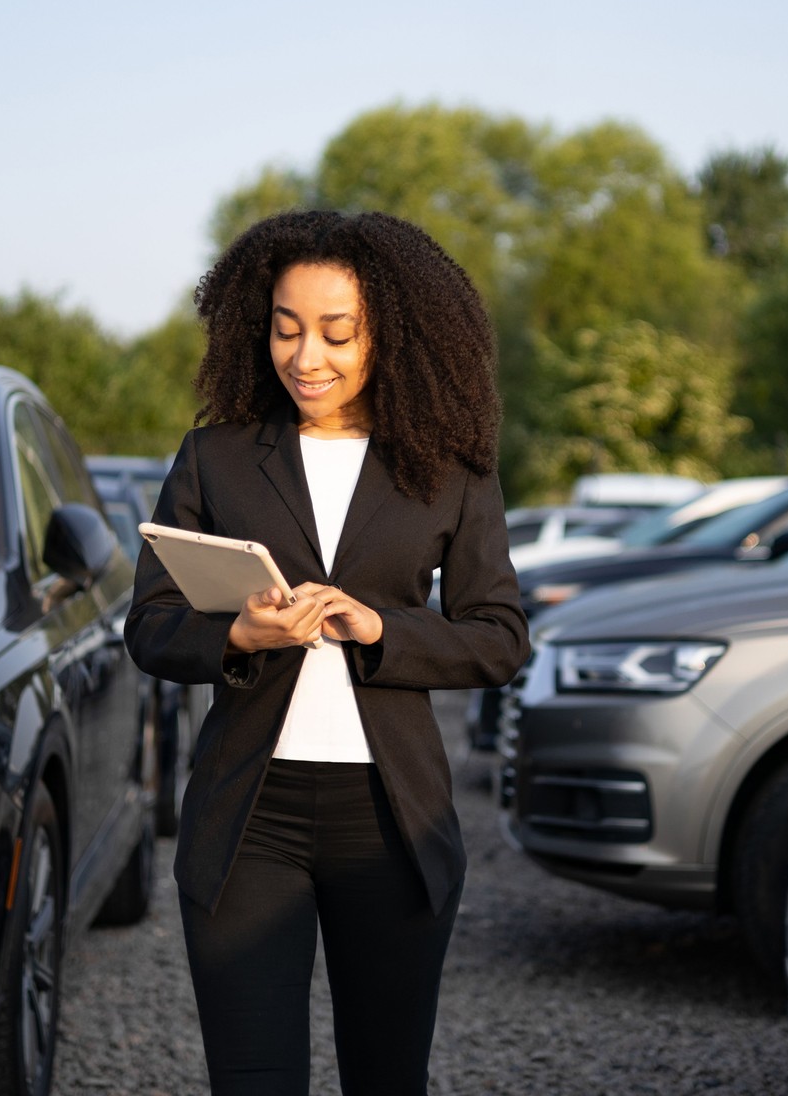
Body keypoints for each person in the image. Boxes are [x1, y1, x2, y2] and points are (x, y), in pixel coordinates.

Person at [125, 210, 530, 1096]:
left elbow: (499, 639)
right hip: (249, 817)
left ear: (391, 332)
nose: (307, 357)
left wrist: (381, 628)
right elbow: (150, 623)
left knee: (387, 1079)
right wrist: (237, 632)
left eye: (337, 333)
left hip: (391, 820)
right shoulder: (216, 458)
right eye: (285, 328)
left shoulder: (449, 469)